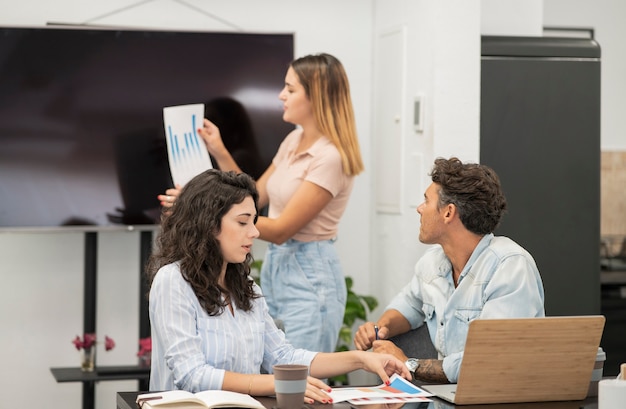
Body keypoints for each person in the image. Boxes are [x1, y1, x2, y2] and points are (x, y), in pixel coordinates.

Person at [159, 53, 364, 353]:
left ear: (317, 96)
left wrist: (204, 209)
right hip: (277, 268)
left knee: (299, 381)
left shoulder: (330, 157)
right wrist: (219, 151)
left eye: (291, 89)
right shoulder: (294, 141)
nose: (282, 95)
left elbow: (281, 229)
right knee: (276, 374)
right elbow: (253, 196)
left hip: (311, 276)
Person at [147, 169, 410, 402]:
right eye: (242, 222)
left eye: (254, 221)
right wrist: (276, 383)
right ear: (207, 224)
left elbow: (282, 357)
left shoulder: (245, 286)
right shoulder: (173, 281)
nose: (255, 232)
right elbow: (192, 375)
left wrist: (360, 359)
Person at [353, 157, 545, 384]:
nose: (419, 209)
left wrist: (409, 364)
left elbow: (487, 363)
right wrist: (380, 328)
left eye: (426, 200)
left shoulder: (510, 266)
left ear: (448, 213)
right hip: (447, 395)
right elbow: (409, 305)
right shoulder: (432, 263)